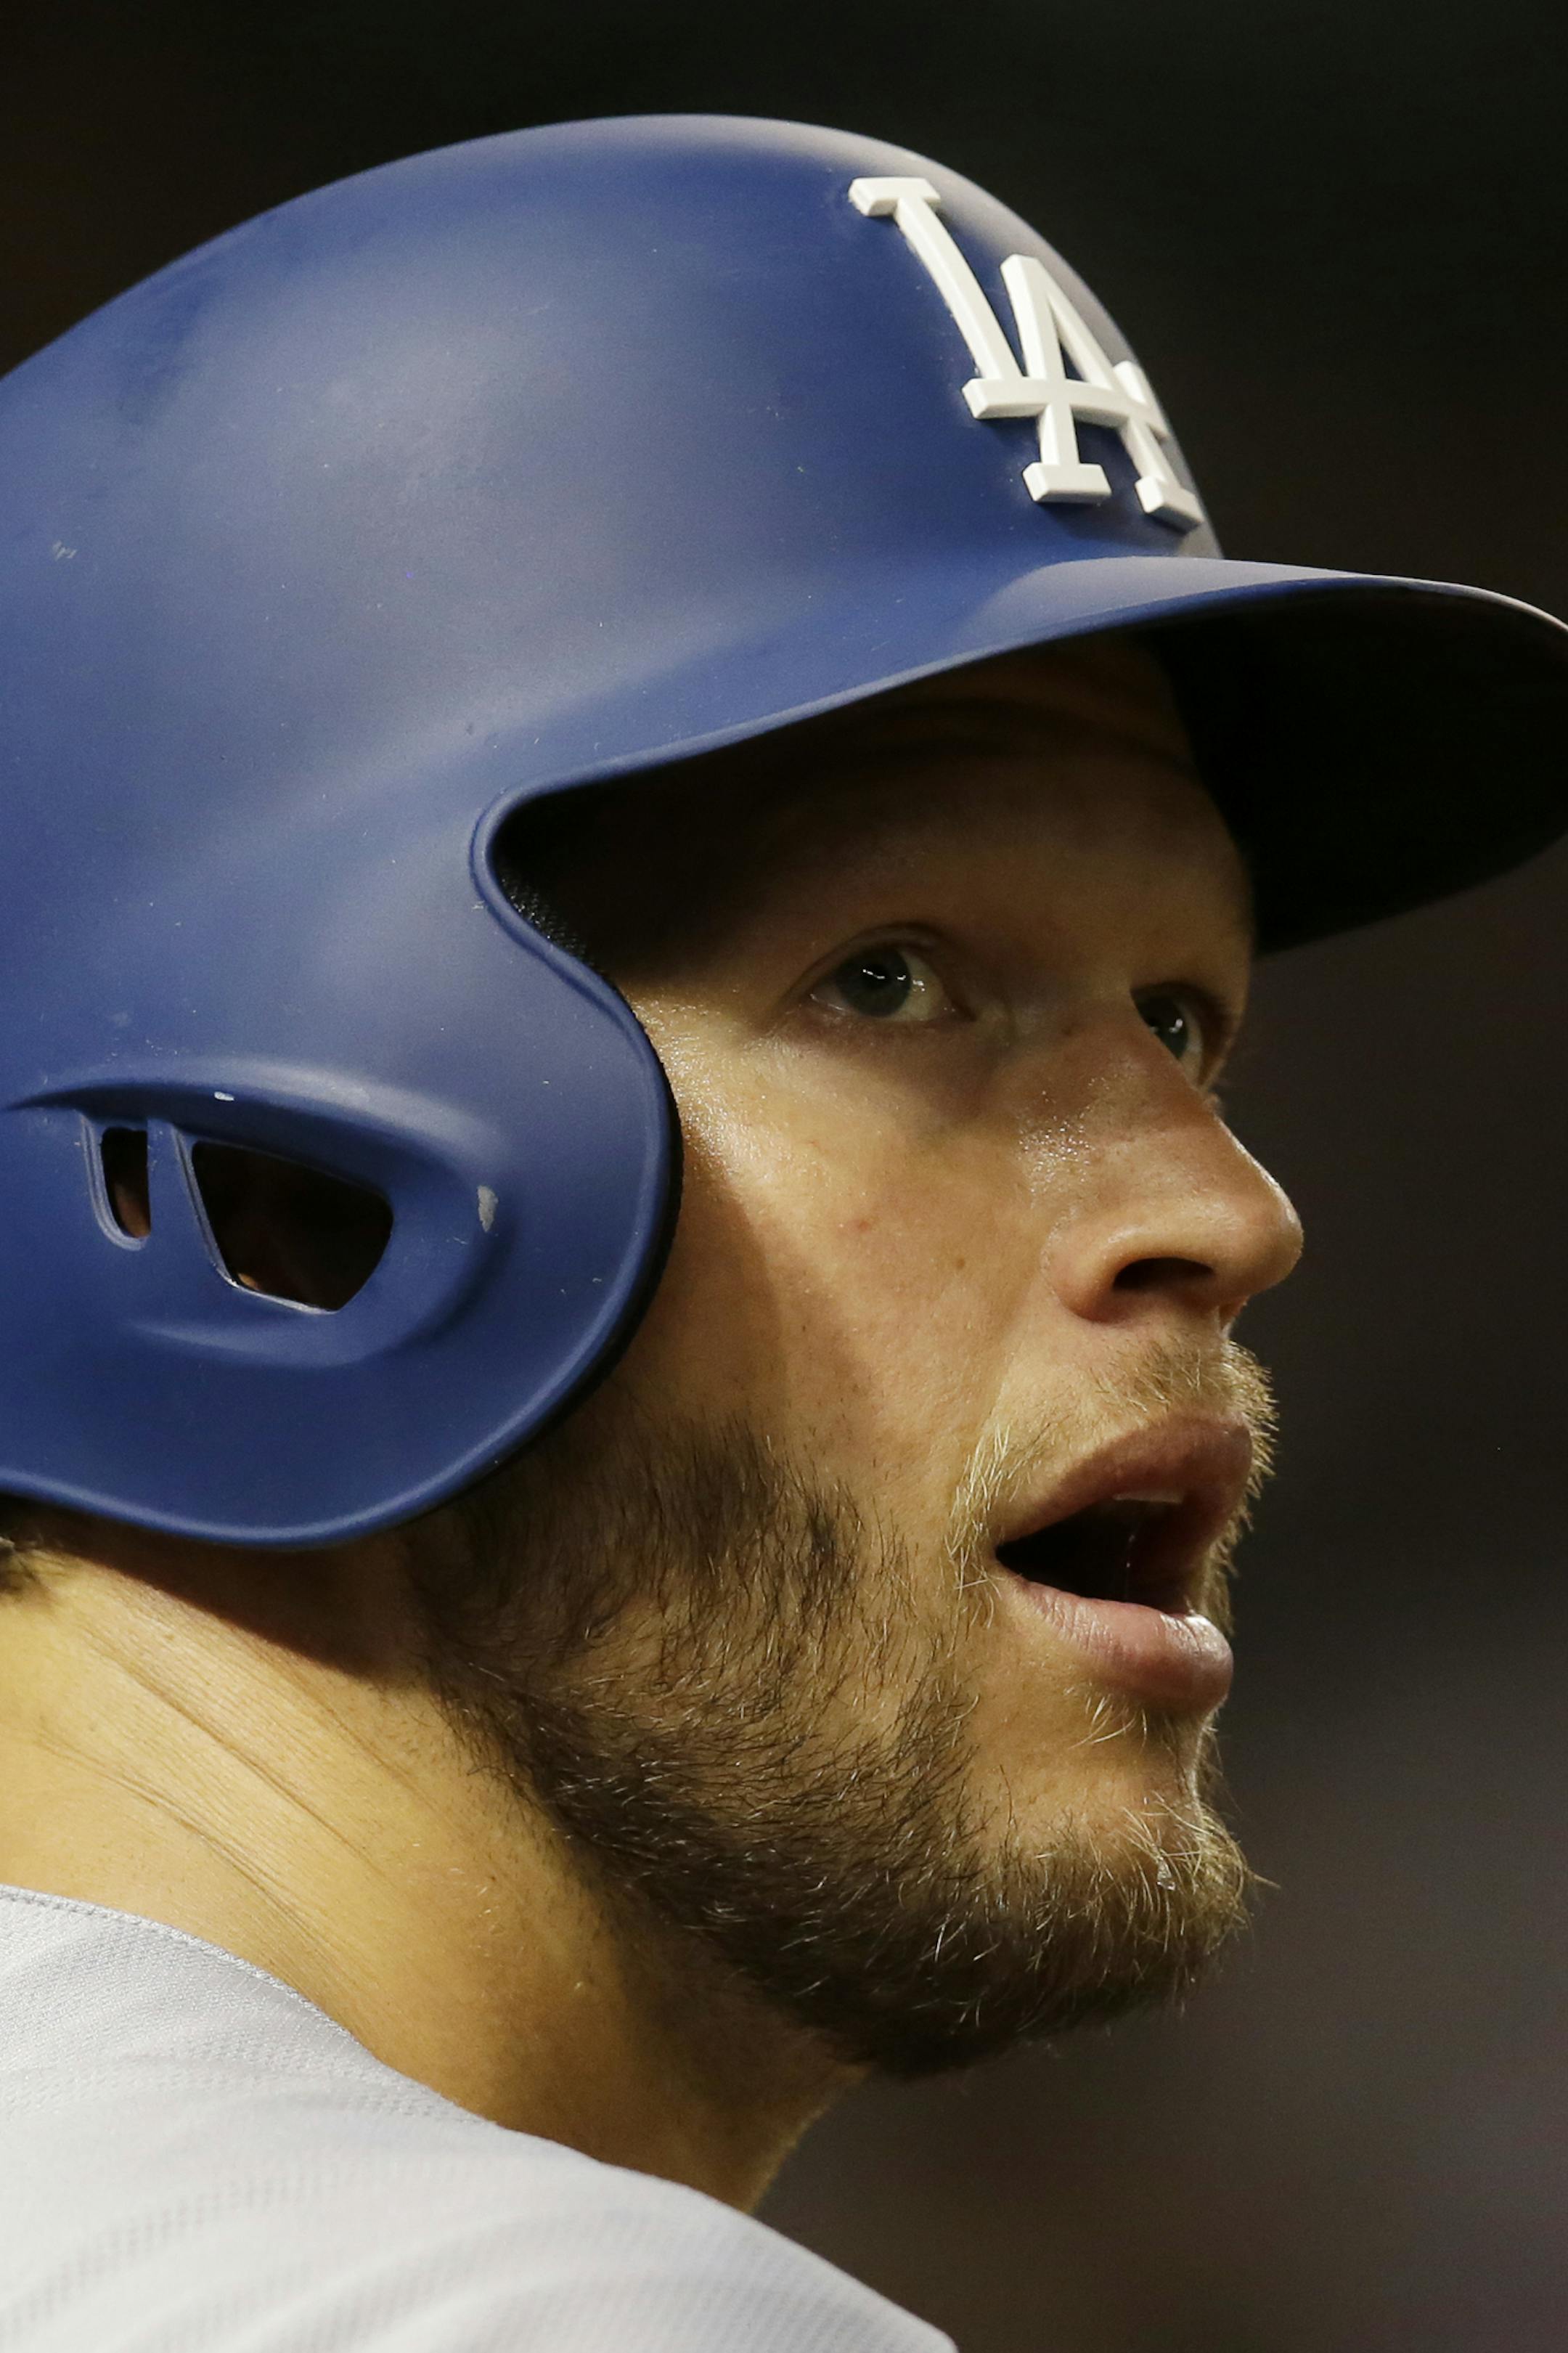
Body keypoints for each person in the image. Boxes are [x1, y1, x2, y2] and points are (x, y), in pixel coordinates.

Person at [0, 113, 1563, 2352]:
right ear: (268, 1201)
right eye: (893, 978)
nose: (1228, 1211)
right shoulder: (527, 2316)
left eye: (1184, 1021)